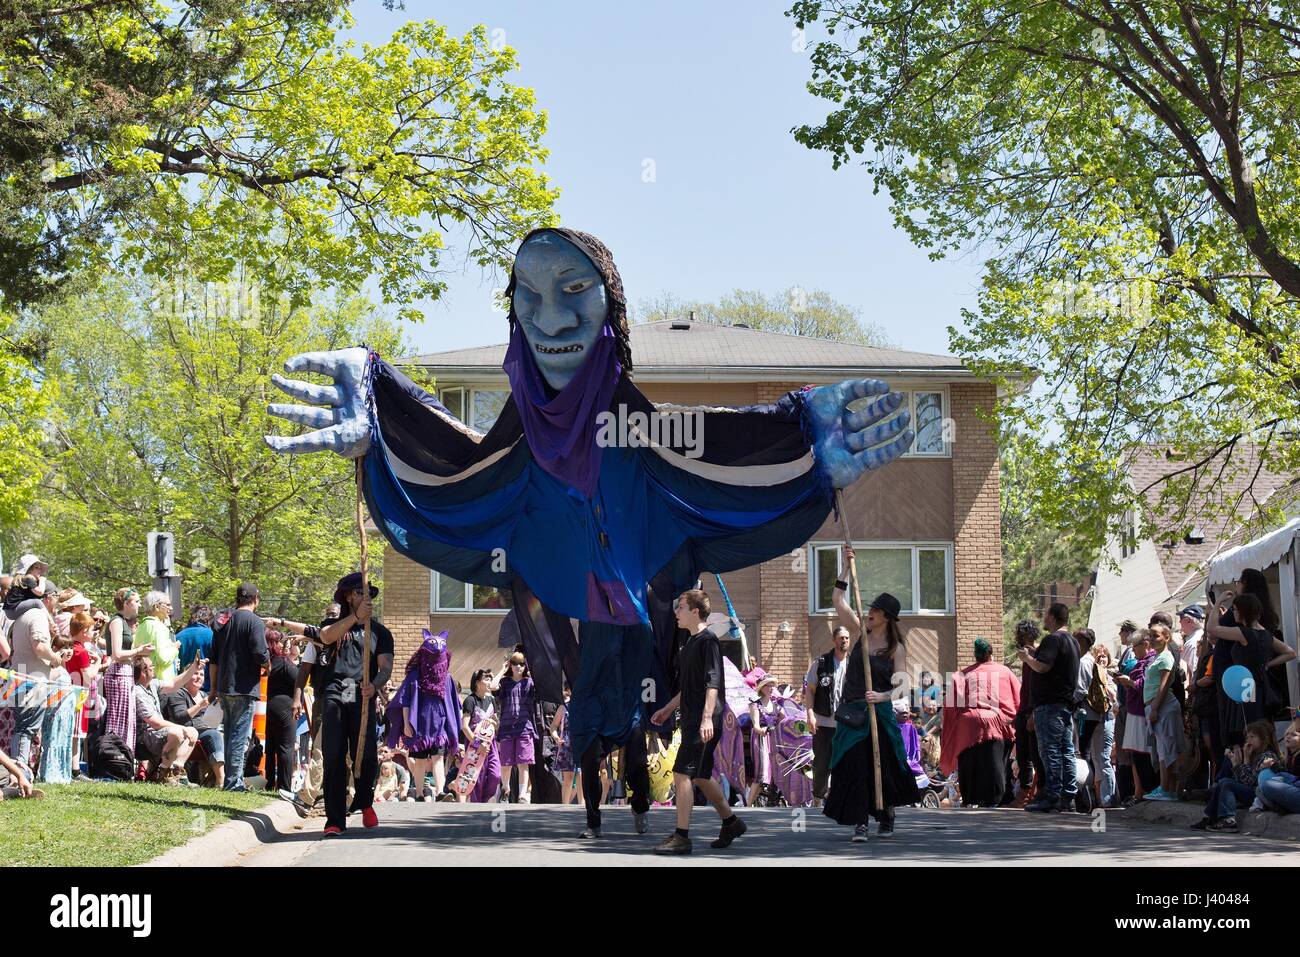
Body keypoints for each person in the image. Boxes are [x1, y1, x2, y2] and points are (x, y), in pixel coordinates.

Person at [650, 589, 745, 854]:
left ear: (695, 611)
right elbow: (689, 686)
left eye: (680, 607)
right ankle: (731, 822)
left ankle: (682, 837)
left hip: (704, 720)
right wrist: (668, 709)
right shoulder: (690, 642)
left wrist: (706, 719)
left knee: (682, 773)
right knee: (701, 776)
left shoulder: (708, 641)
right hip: (693, 717)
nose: (675, 612)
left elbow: (712, 683)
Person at [822, 585, 919, 842]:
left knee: (882, 766)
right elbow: (837, 600)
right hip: (854, 714)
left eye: (876, 609)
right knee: (855, 766)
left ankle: (886, 814)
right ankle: (860, 822)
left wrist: (882, 696)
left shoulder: (896, 648)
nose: (870, 612)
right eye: (871, 608)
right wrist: (845, 568)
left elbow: (903, 686)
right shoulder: (858, 634)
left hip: (880, 714)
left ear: (886, 616)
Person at [316, 572, 394, 835]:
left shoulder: (380, 633)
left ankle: (364, 801)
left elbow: (385, 667)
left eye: (368, 593)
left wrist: (375, 684)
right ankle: (335, 820)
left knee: (367, 755)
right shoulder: (335, 624)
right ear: (349, 596)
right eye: (359, 592)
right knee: (334, 755)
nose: (364, 597)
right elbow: (325, 637)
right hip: (335, 694)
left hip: (362, 697)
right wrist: (355, 618)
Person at [1206, 592, 1296, 747]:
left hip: (1244, 688)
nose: (1233, 612)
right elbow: (1290, 652)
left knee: (1247, 731)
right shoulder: (1266, 634)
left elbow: (1212, 629)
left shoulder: (1244, 633)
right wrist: (1268, 665)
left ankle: (1249, 765)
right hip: (1260, 687)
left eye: (1234, 609)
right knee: (1260, 729)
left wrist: (1218, 602)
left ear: (1242, 611)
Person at [940, 638, 1020, 807]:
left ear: (975, 655)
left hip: (967, 725)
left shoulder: (962, 674)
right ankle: (997, 798)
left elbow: (951, 706)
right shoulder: (1005, 672)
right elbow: (1017, 698)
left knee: (969, 761)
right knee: (996, 761)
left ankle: (970, 798)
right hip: (996, 721)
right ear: (990, 653)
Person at [385, 630, 460, 802]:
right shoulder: (415, 676)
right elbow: (405, 701)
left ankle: (440, 792)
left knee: (438, 757)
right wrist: (405, 724)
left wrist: (451, 726)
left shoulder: (447, 679)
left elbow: (451, 705)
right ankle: (419, 793)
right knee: (419, 760)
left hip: (439, 725)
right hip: (417, 724)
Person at [1018, 602, 1079, 813]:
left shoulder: (1053, 639)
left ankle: (1052, 795)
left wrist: (1027, 658)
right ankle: (1068, 796)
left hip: (1050, 705)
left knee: (1050, 750)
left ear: (1052, 618)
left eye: (1046, 615)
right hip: (1064, 704)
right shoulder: (1071, 641)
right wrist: (1035, 652)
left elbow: (1043, 666)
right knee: (1066, 751)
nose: (1044, 619)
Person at [210, 583, 269, 793]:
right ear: (256, 599)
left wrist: (213, 688)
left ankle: (230, 779)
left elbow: (214, 658)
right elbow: (260, 653)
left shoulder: (224, 621)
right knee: (238, 735)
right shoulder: (254, 621)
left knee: (229, 733)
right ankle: (233, 782)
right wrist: (268, 665)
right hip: (244, 687)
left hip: (225, 686)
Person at [1191, 719, 1279, 832]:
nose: (1248, 740)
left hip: (1259, 796)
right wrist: (1235, 761)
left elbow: (1249, 782)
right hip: (1251, 792)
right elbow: (1241, 781)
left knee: (1226, 783)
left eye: (1252, 737)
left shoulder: (1267, 756)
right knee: (1225, 781)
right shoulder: (1254, 754)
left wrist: (1244, 760)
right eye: (1247, 737)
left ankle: (1228, 820)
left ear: (1263, 739)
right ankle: (1212, 818)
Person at [133, 655, 203, 785]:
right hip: (144, 737)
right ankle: (163, 773)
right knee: (177, 732)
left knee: (193, 731)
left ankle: (177, 772)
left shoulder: (152, 684)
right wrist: (181, 728)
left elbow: (174, 684)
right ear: (143, 672)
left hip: (156, 732)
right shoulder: (138, 692)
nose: (153, 669)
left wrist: (193, 668)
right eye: (151, 667)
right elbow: (154, 722)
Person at [805, 621, 851, 806]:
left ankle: (842, 799)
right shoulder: (821, 663)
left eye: (847, 638)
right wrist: (809, 713)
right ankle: (818, 797)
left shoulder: (854, 665)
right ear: (834, 640)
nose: (845, 641)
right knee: (822, 764)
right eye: (841, 638)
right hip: (824, 722)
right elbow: (810, 690)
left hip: (846, 724)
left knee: (845, 763)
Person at [102, 588, 151, 756]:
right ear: (126, 603)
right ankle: (115, 758)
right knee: (118, 720)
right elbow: (116, 654)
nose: (139, 605)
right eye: (136, 601)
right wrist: (138, 650)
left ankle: (125, 759)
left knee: (127, 719)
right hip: (118, 673)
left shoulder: (124, 622)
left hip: (126, 672)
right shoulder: (116, 621)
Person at [1139, 623, 1185, 801]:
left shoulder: (1166, 657)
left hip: (1164, 706)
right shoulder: (1157, 657)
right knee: (1162, 748)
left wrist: (1155, 708)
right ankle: (1166, 788)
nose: (1152, 639)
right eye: (1150, 635)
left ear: (1167, 637)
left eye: (1156, 635)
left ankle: (1167, 789)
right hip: (1155, 706)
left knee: (1167, 749)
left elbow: (1164, 686)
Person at [163, 665, 225, 787]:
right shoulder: (178, 693)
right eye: (195, 674)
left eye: (201, 675)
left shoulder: (204, 694)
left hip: (208, 730)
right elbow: (179, 718)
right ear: (186, 677)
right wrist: (200, 706)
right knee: (215, 735)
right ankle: (221, 780)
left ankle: (215, 778)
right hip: (187, 731)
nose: (199, 677)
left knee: (224, 736)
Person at [493, 651, 536, 803]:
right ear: (510, 665)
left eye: (522, 663)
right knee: (506, 762)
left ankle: (523, 794)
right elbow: (492, 686)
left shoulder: (529, 682)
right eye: (515, 663)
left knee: (523, 762)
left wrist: (533, 673)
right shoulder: (505, 682)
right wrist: (502, 670)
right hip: (506, 727)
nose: (518, 666)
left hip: (525, 727)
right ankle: (505, 789)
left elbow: (542, 688)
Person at [1010, 619, 1043, 806]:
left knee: (1035, 754)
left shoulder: (1037, 654)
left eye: (1021, 635)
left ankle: (1034, 793)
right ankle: (1025, 792)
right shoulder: (1026, 657)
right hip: (1023, 711)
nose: (1019, 639)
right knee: (1022, 755)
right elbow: (1025, 689)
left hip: (1033, 711)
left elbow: (1036, 688)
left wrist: (1032, 713)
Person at [263, 629, 299, 793]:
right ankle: (285, 787)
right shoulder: (283, 662)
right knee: (286, 747)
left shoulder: (264, 661)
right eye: (279, 641)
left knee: (271, 747)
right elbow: (299, 679)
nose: (282, 644)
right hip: (285, 707)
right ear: (274, 644)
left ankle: (270, 783)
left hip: (267, 707)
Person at [460, 669, 501, 803]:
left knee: (495, 774)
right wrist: (477, 744)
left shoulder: (491, 700)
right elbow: (465, 726)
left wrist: (494, 723)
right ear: (478, 682)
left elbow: (496, 722)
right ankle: (476, 805)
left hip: (491, 743)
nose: (489, 682)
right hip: (474, 744)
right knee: (476, 777)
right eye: (486, 679)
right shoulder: (470, 701)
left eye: (490, 679)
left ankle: (484, 800)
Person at [1088, 644, 1118, 808]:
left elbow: (1115, 700)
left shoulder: (1111, 677)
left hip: (1107, 719)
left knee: (1105, 758)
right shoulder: (1091, 676)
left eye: (1104, 655)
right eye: (1098, 656)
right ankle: (1100, 797)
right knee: (1096, 758)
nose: (1102, 658)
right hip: (1094, 721)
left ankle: (1109, 798)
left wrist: (1106, 685)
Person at [747, 673, 781, 807]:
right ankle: (748, 804)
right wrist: (762, 730)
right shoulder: (755, 705)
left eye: (772, 685)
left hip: (773, 740)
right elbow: (755, 725)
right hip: (760, 739)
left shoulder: (777, 706)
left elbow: (784, 723)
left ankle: (766, 801)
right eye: (767, 685)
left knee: (773, 771)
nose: (771, 688)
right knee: (761, 772)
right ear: (761, 688)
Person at [1257, 717, 1300, 814]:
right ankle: (1282, 807)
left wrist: (1275, 767)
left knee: (1267, 785)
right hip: (1293, 789)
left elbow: (1293, 779)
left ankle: (1280, 806)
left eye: (1294, 735)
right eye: (1287, 734)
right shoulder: (1289, 756)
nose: (1288, 737)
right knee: (1263, 779)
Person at [137, 591, 178, 682]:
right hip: (162, 683)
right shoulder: (159, 627)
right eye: (167, 605)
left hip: (144, 681)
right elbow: (163, 659)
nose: (170, 608)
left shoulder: (141, 626)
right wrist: (175, 648)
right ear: (156, 607)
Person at [175, 606, 215, 693]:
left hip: (181, 689)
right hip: (205, 689)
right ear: (209, 620)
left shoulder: (178, 636)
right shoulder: (212, 636)